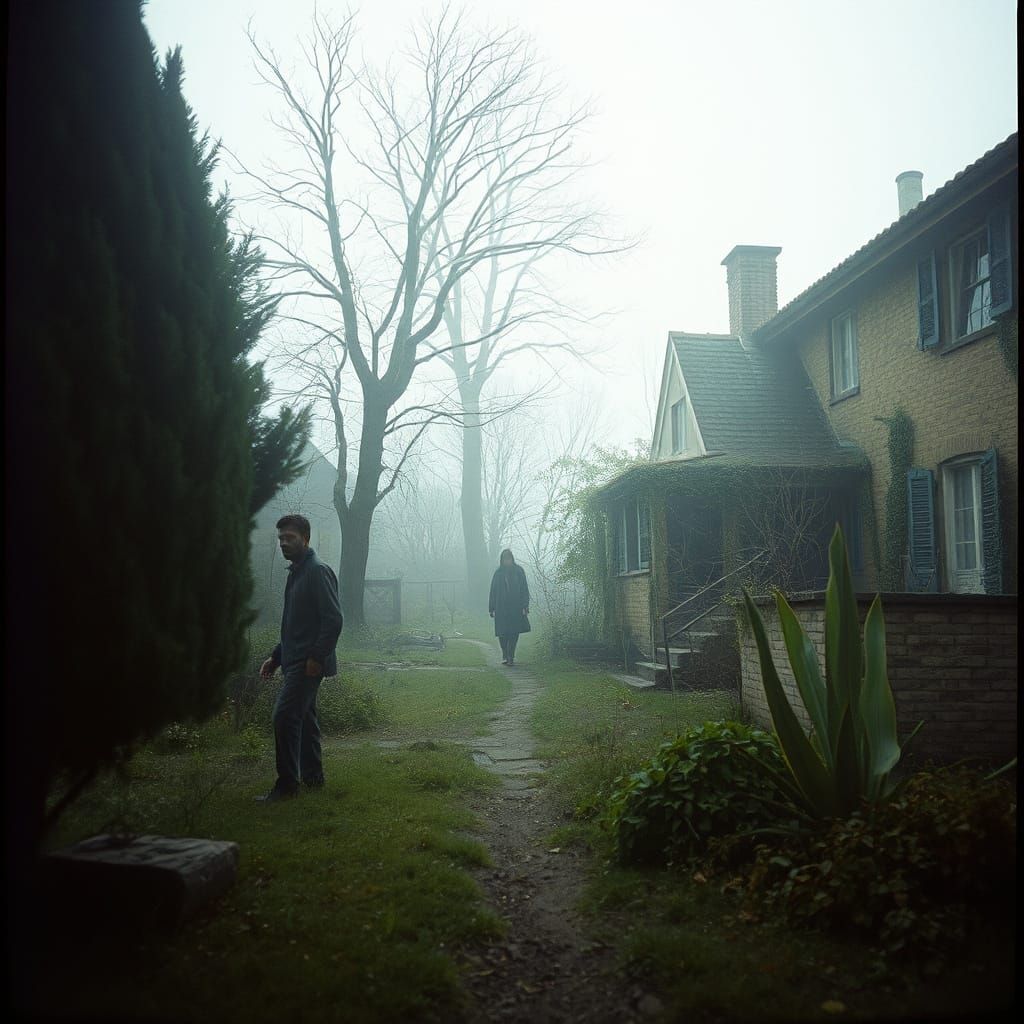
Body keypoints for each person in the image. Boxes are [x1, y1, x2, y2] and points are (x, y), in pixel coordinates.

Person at [257, 514, 343, 802]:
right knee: (304, 719)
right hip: (293, 659)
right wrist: (276, 657)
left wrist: (317, 657)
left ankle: (287, 786)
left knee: (284, 716)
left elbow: (333, 620)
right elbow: (294, 625)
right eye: (280, 538)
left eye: (289, 538)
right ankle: (313, 778)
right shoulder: (296, 572)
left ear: (305, 539)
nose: (283, 543)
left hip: (308, 663)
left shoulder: (317, 571)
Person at [488, 548, 530, 666]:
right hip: (501, 608)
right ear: (502, 560)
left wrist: (525, 606)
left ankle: (511, 656)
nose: (507, 561)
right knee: (502, 633)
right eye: (505, 559)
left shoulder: (519, 572)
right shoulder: (498, 573)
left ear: (512, 559)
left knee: (513, 633)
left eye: (509, 559)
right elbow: (493, 591)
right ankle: (505, 654)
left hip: (515, 608)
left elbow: (524, 590)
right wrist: (491, 608)